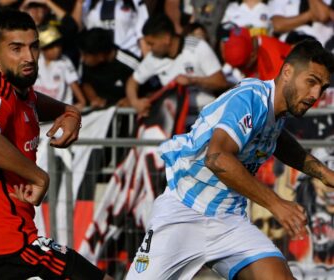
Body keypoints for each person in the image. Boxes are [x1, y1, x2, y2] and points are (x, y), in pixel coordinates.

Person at [126, 39, 334, 279]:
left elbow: (279, 142)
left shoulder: (276, 113)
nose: (316, 94)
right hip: (184, 211)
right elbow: (216, 158)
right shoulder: (250, 97)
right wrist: (276, 203)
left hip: (228, 220)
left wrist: (323, 173)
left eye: (323, 88)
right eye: (311, 82)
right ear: (287, 72)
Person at [0, 8, 113, 280]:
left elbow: (36, 101)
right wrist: (39, 177)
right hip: (9, 244)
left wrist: (70, 112)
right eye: (16, 48)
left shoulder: (17, 89)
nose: (29, 57)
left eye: (34, 47)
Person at [126, 14, 230, 123]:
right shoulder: (153, 58)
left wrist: (192, 80)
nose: (149, 48)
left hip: (206, 118)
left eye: (152, 44)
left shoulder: (198, 46)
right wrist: (135, 102)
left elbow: (221, 82)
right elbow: (132, 82)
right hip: (176, 122)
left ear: (166, 38)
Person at [78, 27, 139, 108]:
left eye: (85, 55)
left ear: (100, 55)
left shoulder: (130, 63)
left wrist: (132, 100)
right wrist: (94, 99)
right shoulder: (85, 64)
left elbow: (151, 89)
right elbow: (85, 83)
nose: (83, 59)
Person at [35, 24, 86, 111]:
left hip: (60, 110)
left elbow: (74, 84)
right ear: (43, 49)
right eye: (52, 47)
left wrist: (82, 102)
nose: (57, 50)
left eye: (58, 45)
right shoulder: (36, 60)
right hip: (38, 111)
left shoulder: (65, 61)